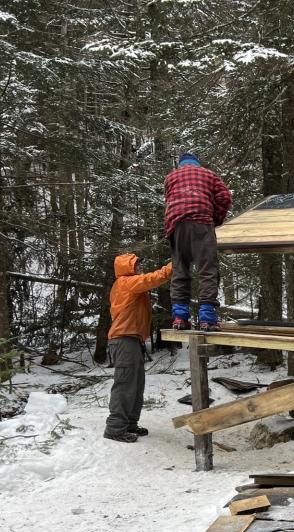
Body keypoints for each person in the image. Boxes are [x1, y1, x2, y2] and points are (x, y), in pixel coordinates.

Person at [104, 253, 173, 443]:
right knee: (125, 385)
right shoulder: (126, 282)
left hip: (131, 339)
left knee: (136, 385)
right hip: (124, 339)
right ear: (128, 267)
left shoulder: (129, 284)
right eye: (137, 265)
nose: (140, 268)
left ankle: (129, 424)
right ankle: (115, 428)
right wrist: (172, 266)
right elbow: (152, 279)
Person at [164, 152, 232, 332]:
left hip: (177, 226)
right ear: (197, 164)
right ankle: (207, 319)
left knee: (180, 270)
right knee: (207, 270)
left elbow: (169, 202)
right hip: (202, 223)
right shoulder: (209, 175)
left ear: (181, 165)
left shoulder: (170, 177)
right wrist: (216, 218)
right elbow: (225, 197)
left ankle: (179, 318)